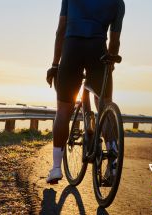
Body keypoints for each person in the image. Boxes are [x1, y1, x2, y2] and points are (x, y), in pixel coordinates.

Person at [45, 0, 125, 184]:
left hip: (72, 49)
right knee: (104, 105)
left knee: (63, 112)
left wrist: (55, 64)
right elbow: (114, 40)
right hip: (98, 52)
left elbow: (61, 30)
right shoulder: (118, 3)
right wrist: (109, 64)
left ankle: (56, 168)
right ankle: (112, 160)